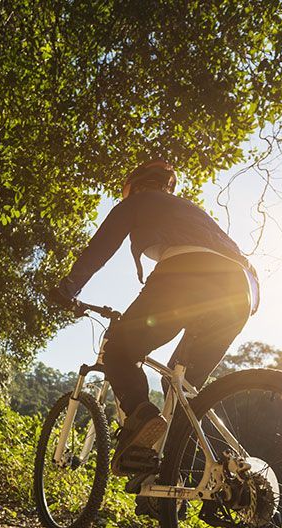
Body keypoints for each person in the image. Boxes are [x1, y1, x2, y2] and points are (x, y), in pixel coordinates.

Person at [51, 160, 259, 476]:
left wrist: (68, 288)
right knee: (181, 388)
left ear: (134, 186)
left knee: (119, 348)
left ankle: (141, 416)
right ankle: (170, 485)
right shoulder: (194, 212)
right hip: (241, 291)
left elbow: (100, 248)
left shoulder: (141, 200)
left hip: (187, 274)